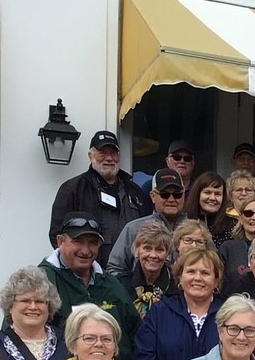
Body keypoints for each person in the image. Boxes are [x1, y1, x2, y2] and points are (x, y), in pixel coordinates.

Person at [39, 213, 141, 360]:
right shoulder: (41, 282)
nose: (85, 251)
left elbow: (137, 334)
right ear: (60, 241)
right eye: (78, 241)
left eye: (92, 243)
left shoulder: (111, 284)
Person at [134, 247, 224, 360]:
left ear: (216, 281)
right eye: (191, 271)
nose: (198, 278)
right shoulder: (160, 311)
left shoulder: (229, 314)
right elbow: (144, 356)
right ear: (180, 277)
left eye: (205, 273)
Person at [47, 129, 147, 265]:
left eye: (113, 153)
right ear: (90, 155)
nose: (109, 158)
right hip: (89, 271)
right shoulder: (72, 189)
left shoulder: (135, 191)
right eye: (102, 153)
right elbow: (57, 235)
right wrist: (80, 267)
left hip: (130, 271)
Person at [0, 267, 72, 360]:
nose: (33, 307)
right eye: (25, 300)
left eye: (40, 301)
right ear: (10, 306)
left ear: (49, 306)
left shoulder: (68, 344)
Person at [107, 168, 187, 277]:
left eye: (177, 194)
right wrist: (133, 285)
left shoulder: (197, 230)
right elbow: (114, 269)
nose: (171, 199)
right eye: (164, 194)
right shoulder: (133, 229)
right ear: (153, 196)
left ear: (184, 196)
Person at [116, 221, 178, 318]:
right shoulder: (121, 285)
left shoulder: (177, 286)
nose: (153, 255)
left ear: (168, 254)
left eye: (159, 250)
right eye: (147, 248)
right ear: (137, 250)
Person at [188, 172, 230, 244]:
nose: (212, 198)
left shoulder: (232, 226)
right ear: (197, 194)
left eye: (217, 194)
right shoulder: (184, 221)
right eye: (207, 192)